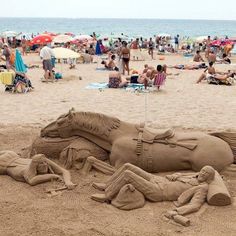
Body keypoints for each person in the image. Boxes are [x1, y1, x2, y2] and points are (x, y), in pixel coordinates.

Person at [91, 163, 215, 208]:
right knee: (128, 166)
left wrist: (180, 211)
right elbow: (179, 175)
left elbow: (195, 204)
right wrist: (175, 175)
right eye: (202, 170)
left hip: (158, 191)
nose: (202, 173)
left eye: (206, 173)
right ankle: (107, 185)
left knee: (128, 174)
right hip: (158, 180)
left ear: (209, 177)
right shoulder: (194, 175)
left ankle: (107, 196)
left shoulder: (202, 187)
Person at [0, 151, 76, 188]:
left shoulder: (42, 160)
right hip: (3, 163)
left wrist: (68, 182)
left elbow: (64, 171)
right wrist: (53, 176)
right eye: (41, 164)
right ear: (35, 166)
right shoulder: (27, 171)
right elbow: (32, 181)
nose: (45, 164)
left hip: (13, 155)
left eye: (45, 162)